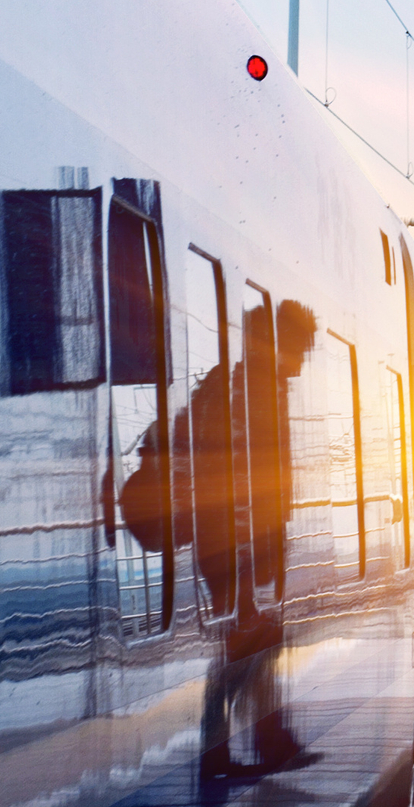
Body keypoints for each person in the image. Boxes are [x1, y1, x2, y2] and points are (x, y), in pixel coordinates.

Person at [127, 300, 323, 779]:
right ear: (278, 344)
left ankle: (254, 744)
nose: (303, 360)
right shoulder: (248, 389)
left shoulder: (241, 384)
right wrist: (254, 548)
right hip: (234, 541)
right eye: (300, 348)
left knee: (249, 643)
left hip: (235, 540)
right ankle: (226, 748)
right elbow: (239, 473)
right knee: (251, 641)